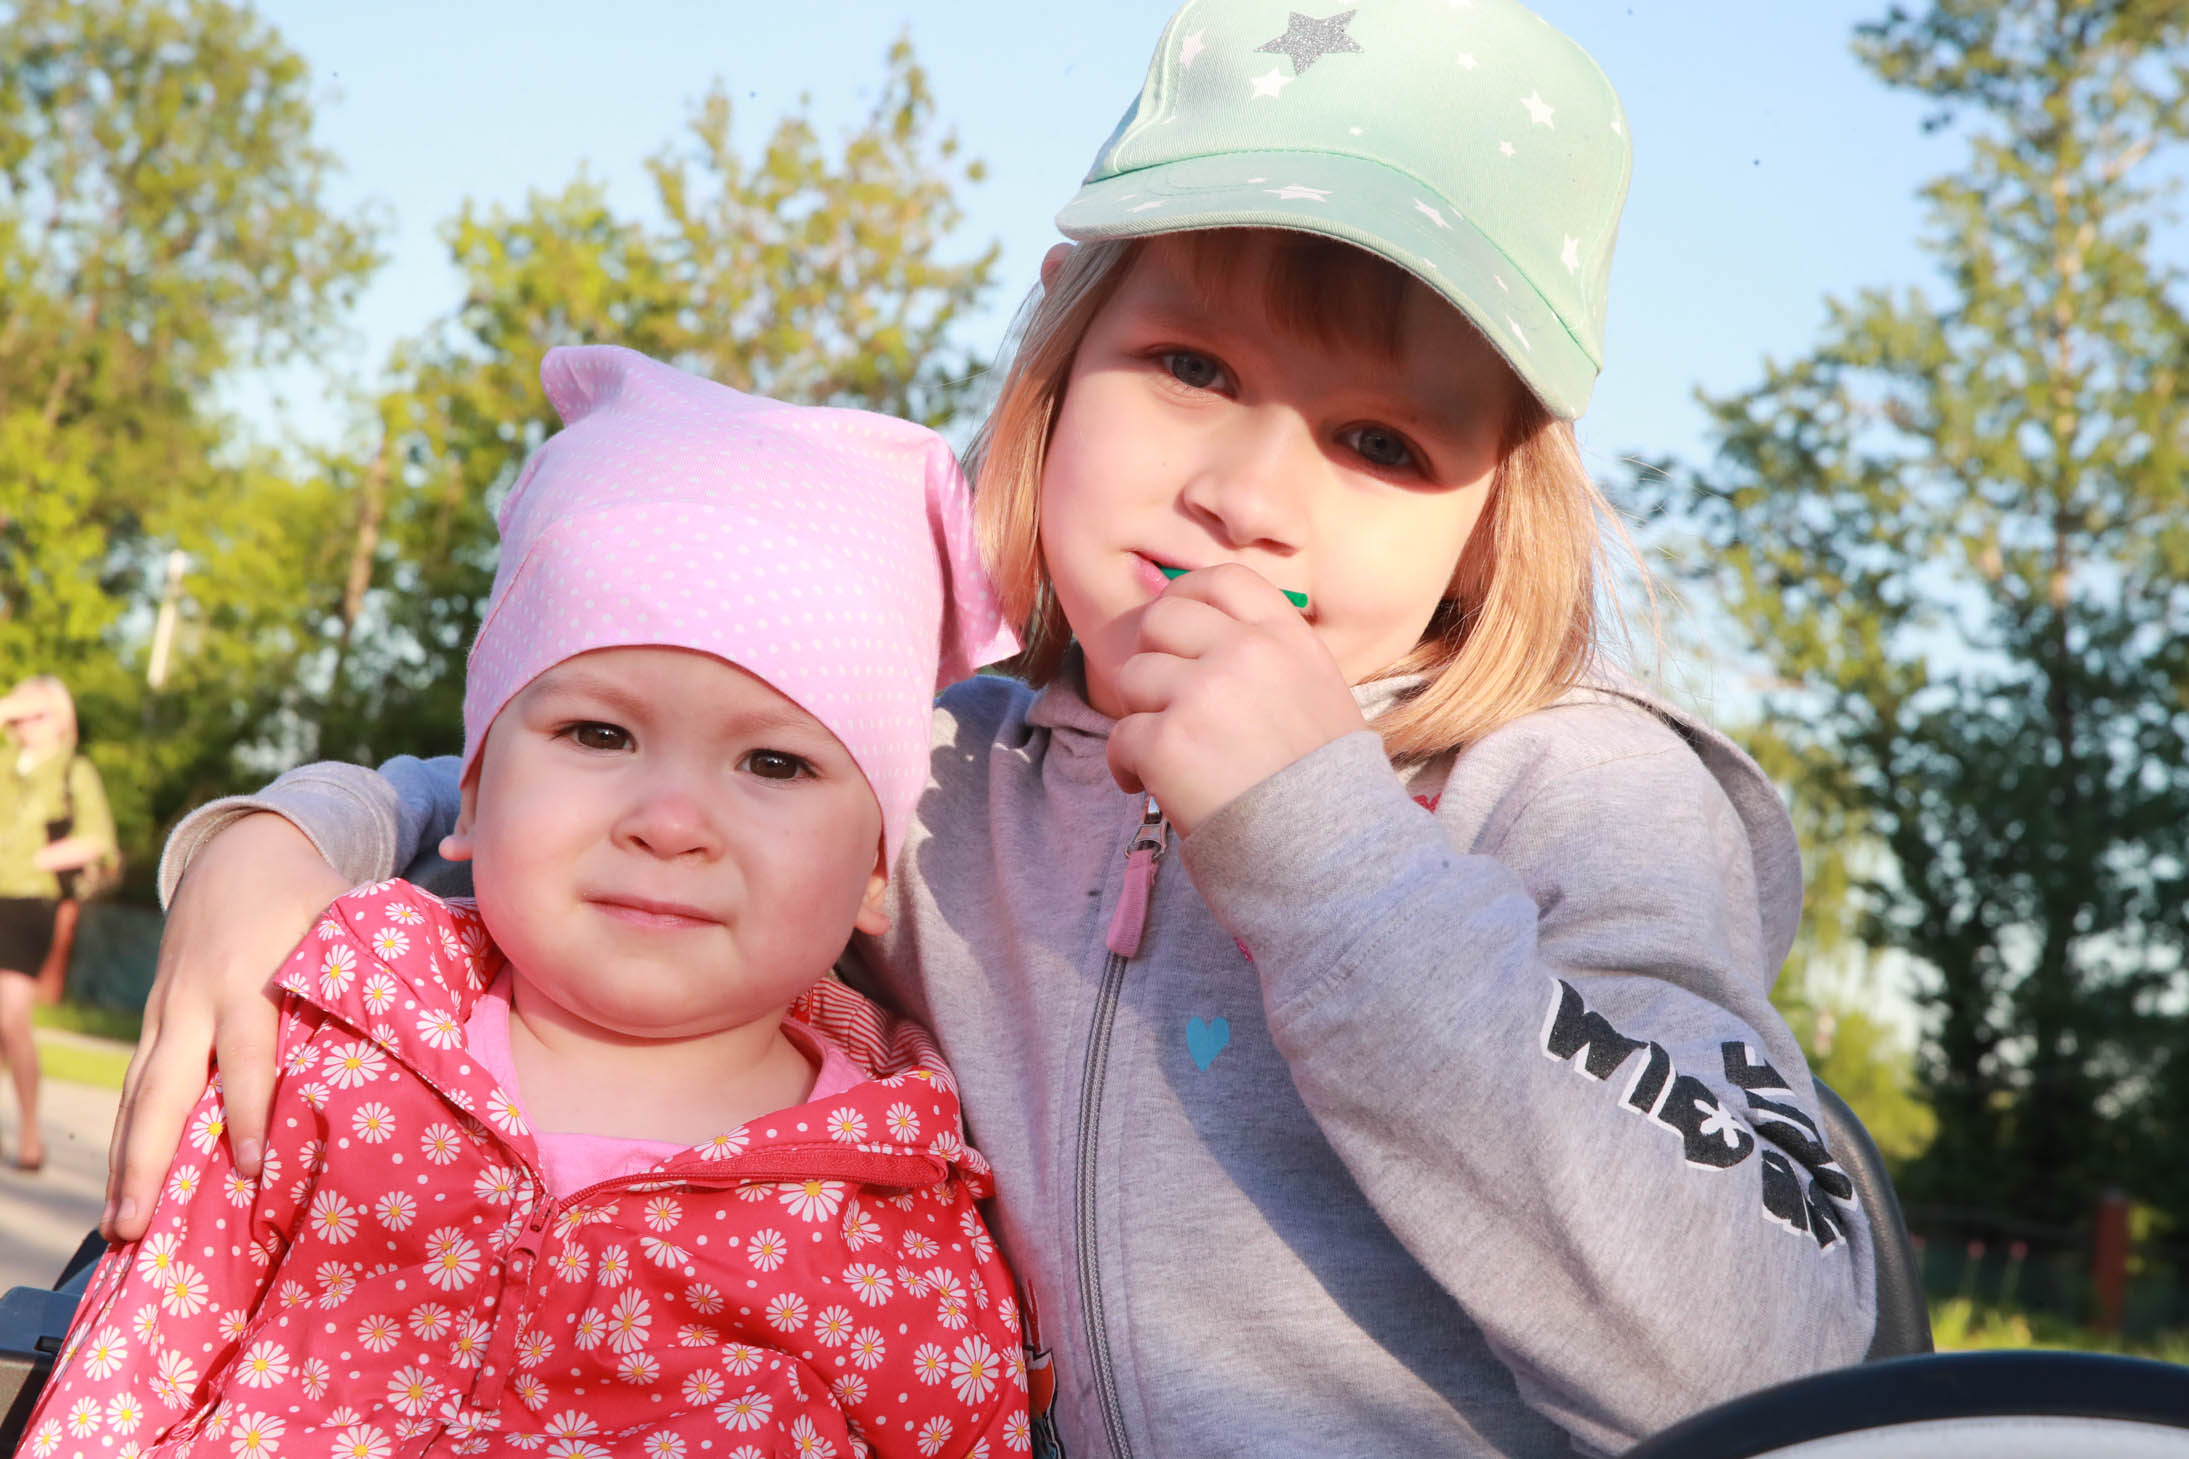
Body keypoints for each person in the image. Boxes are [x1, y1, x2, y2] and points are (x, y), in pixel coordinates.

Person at [106, 2, 1879, 1453]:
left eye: (1377, 443)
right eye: (1190, 366)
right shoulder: (945, 769)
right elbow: (602, 763)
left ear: (1491, 518)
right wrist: (296, 832)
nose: (1247, 493)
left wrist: (1329, 851)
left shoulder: (1578, 791)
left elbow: (1778, 1342)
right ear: (1060, 342)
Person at [29, 347, 1028, 1458]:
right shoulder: (328, 1030)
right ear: (469, 789)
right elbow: (127, 1382)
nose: (669, 821)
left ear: (878, 868)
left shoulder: (897, 1216)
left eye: (775, 763)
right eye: (598, 733)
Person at [0, 675, 118, 1172]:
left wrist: (42, 858)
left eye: (41, 712)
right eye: (22, 713)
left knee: (11, 1015)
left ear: (62, 719)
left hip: (30, 901)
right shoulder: (6, 764)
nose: (29, 722)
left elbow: (99, 838)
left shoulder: (74, 769)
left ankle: (30, 1133)